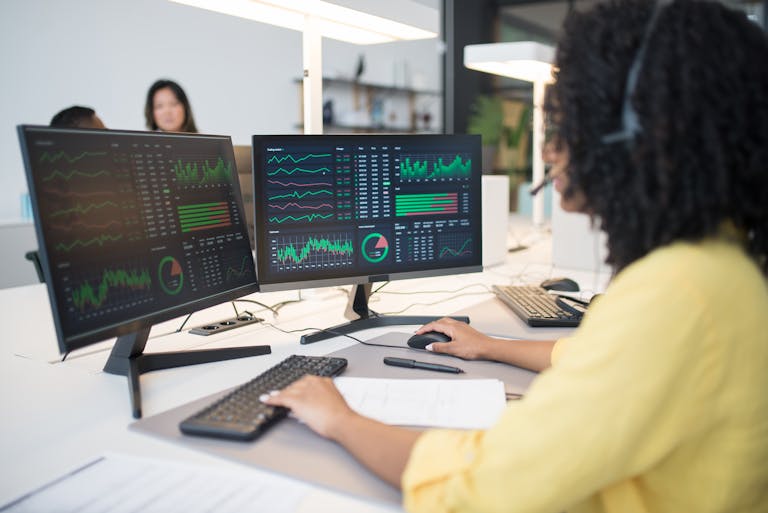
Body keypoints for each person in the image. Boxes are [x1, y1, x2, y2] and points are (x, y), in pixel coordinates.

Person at [263, 1, 768, 512]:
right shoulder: (713, 266)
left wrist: (341, 419)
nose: (549, 151)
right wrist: (491, 346)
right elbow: (597, 361)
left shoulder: (676, 294)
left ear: (636, 133)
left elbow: (486, 487)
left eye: (566, 123)